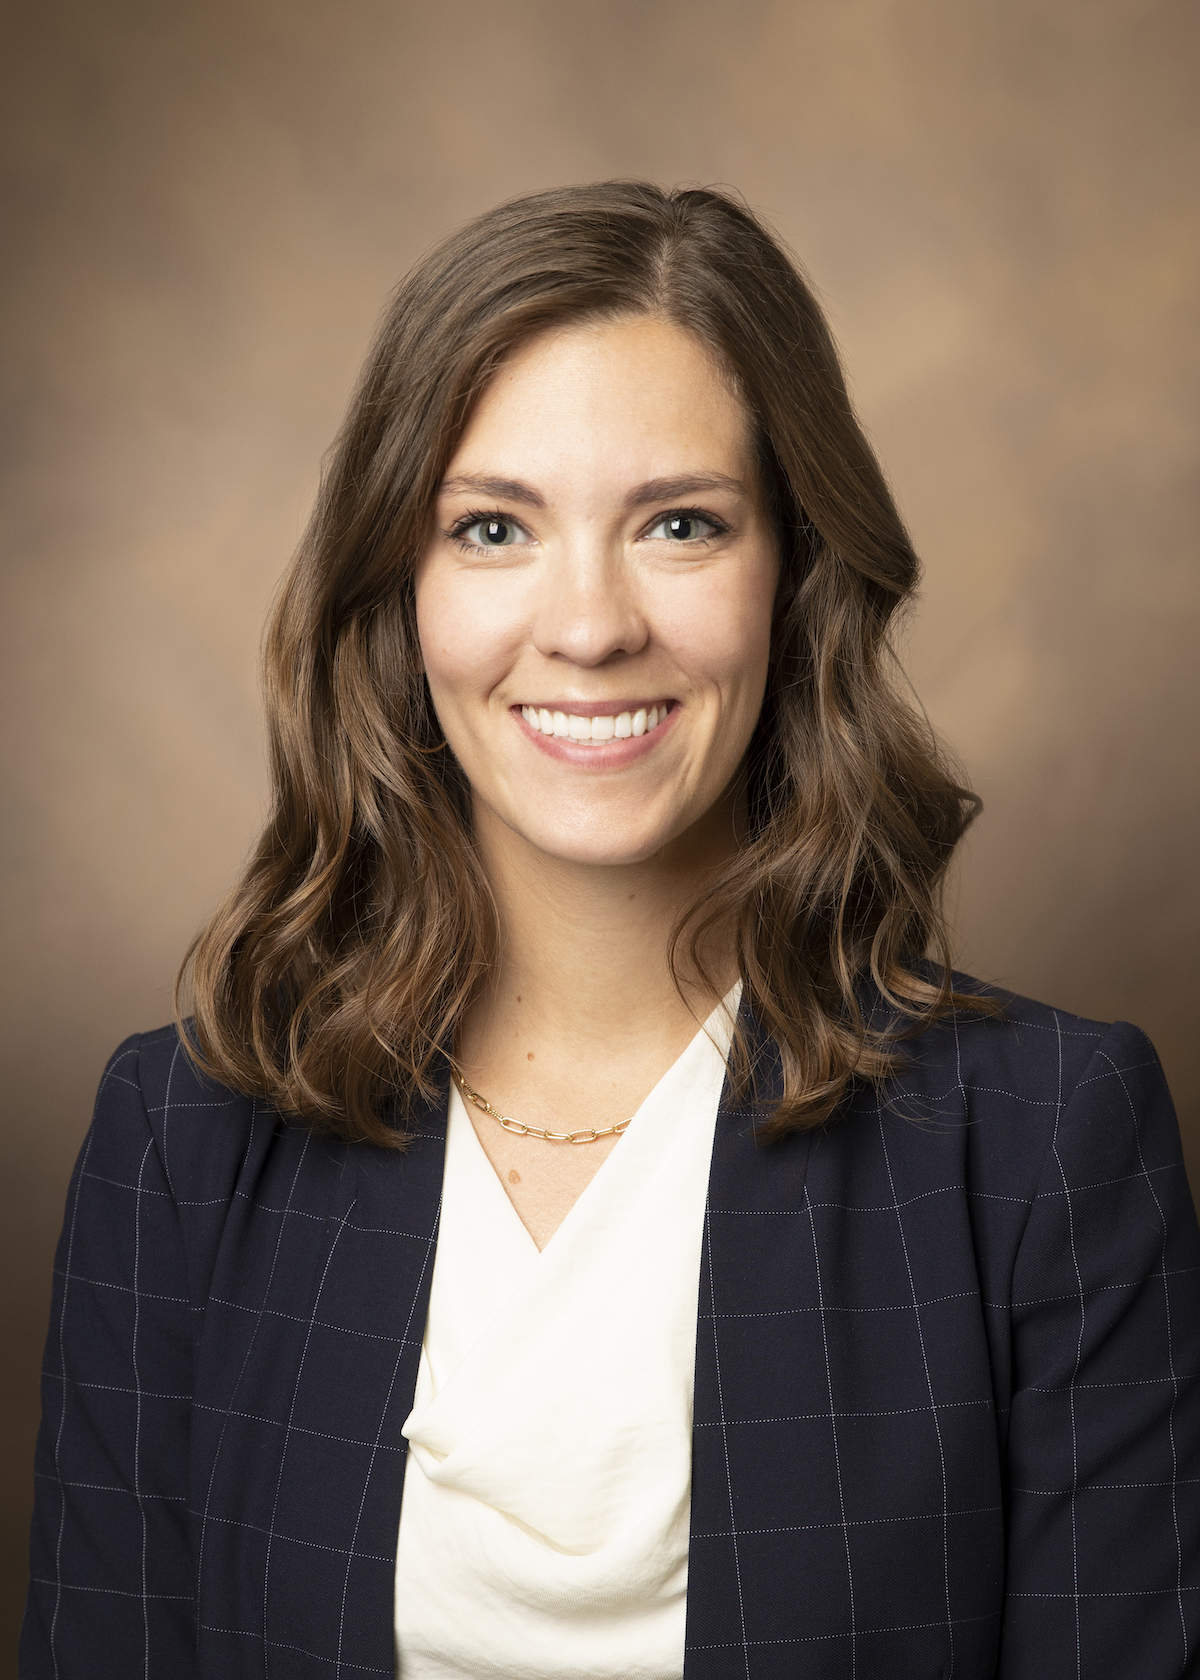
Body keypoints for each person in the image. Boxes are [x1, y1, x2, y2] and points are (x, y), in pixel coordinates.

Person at [21, 181, 1200, 1680]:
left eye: (682, 525)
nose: (588, 626)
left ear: (798, 575)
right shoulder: (180, 1144)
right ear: (404, 591)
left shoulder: (1042, 1146)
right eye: (495, 527)